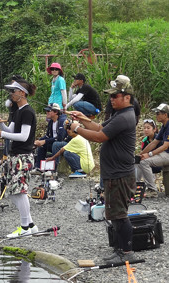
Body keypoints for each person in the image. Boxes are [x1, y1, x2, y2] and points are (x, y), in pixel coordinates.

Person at [68, 74, 137, 264]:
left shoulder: (125, 117)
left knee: (119, 215)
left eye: (115, 96)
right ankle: (121, 250)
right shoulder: (119, 115)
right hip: (115, 174)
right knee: (114, 214)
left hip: (120, 175)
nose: (111, 99)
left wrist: (77, 128)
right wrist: (82, 119)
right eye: (111, 96)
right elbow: (98, 127)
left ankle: (127, 252)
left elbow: (99, 137)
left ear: (127, 97)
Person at [0, 79, 39, 237]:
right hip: (15, 156)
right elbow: (11, 129)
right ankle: (30, 224)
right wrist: (0, 125)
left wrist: (1, 134)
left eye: (13, 91)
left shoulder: (27, 112)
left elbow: (24, 136)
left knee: (20, 192)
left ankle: (24, 228)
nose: (11, 94)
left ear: (21, 93)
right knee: (12, 191)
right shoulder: (17, 111)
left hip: (23, 156)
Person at [139, 103, 169, 197]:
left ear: (165, 115)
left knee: (145, 162)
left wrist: (150, 154)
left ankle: (152, 190)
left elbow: (165, 146)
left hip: (167, 153)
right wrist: (141, 154)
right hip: (166, 153)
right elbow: (154, 143)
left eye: (158, 113)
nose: (156, 115)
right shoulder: (164, 126)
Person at [32, 103, 67, 173]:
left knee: (55, 144)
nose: (46, 112)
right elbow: (48, 136)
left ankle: (53, 170)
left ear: (56, 112)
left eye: (49, 111)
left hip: (64, 144)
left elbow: (60, 138)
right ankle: (39, 167)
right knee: (41, 145)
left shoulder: (62, 121)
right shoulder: (51, 122)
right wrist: (38, 142)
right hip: (54, 143)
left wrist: (44, 141)